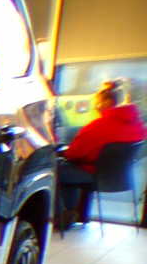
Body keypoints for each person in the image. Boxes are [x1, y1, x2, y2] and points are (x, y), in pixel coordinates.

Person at [58, 78, 147, 225]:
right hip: (122, 178)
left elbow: (73, 154)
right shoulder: (138, 126)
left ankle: (66, 214)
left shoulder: (97, 126)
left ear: (105, 102)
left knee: (58, 170)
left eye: (96, 103)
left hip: (95, 174)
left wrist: (62, 152)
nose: (95, 107)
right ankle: (76, 215)